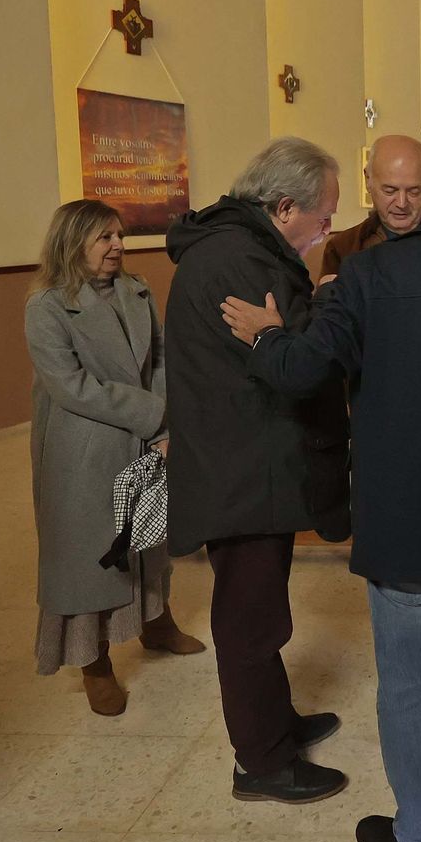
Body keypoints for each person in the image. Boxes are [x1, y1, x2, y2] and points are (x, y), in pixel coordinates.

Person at [218, 140, 421, 842]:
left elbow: (299, 371)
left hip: (405, 520)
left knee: (411, 687)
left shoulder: (369, 274)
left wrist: (266, 335)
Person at [164, 136, 351, 804]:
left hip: (246, 460)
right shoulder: (242, 259)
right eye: (324, 216)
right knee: (250, 620)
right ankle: (262, 761)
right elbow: (298, 360)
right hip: (241, 469)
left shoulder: (241, 246)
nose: (328, 228)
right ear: (284, 207)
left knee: (260, 607)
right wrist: (326, 303)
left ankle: (276, 723)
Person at [25, 200, 204, 716]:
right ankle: (94, 663)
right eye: (105, 237)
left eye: (119, 236)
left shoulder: (136, 290)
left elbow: (162, 358)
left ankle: (156, 624)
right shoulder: (46, 306)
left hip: (143, 436)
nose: (118, 246)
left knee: (147, 536)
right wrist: (152, 414)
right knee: (87, 555)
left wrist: (164, 426)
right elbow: (71, 386)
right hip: (83, 448)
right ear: (72, 242)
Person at [318, 134, 421, 284]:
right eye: (390, 191)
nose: (402, 203)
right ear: (368, 180)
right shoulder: (343, 248)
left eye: (413, 191)